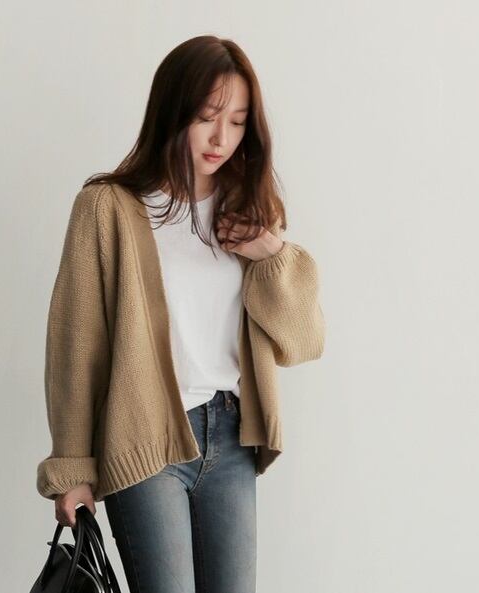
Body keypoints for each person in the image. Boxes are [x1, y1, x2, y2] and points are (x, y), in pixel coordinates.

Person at [36, 34, 325, 593]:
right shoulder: (107, 207)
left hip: (232, 438)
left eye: (237, 122)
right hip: (143, 439)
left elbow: (304, 341)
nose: (222, 138)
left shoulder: (249, 210)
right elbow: (75, 347)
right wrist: (71, 467)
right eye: (207, 118)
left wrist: (270, 252)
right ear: (172, 112)